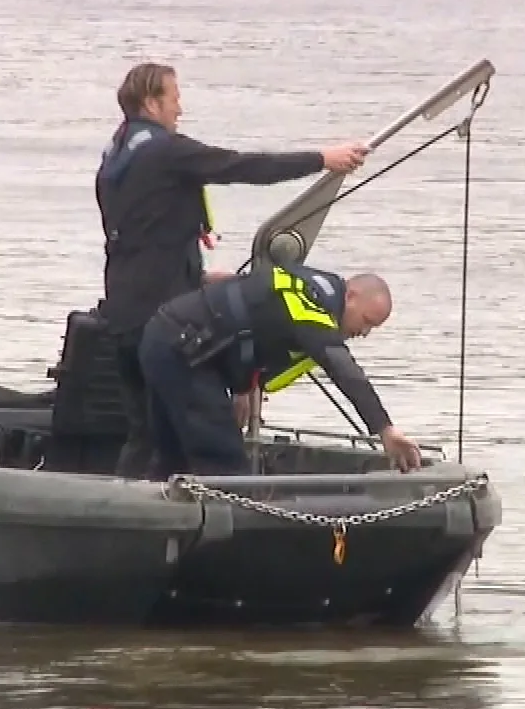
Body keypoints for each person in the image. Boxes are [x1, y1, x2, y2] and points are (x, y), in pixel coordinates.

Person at [95, 61, 370, 478]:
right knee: (188, 434)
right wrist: (322, 159)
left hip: (122, 309)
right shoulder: (166, 152)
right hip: (164, 320)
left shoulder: (116, 158)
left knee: (144, 434)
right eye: (174, 99)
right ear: (151, 103)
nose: (179, 110)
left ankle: (122, 518)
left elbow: (143, 237)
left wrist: (199, 280)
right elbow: (239, 166)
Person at [136, 262, 424, 477]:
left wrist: (244, 387)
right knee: (224, 462)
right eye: (366, 321)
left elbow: (257, 328)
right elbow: (341, 366)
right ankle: (235, 548)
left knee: (170, 456)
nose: (364, 332)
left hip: (170, 340)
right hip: (182, 352)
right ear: (351, 295)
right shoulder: (311, 305)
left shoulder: (305, 286)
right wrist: (384, 429)